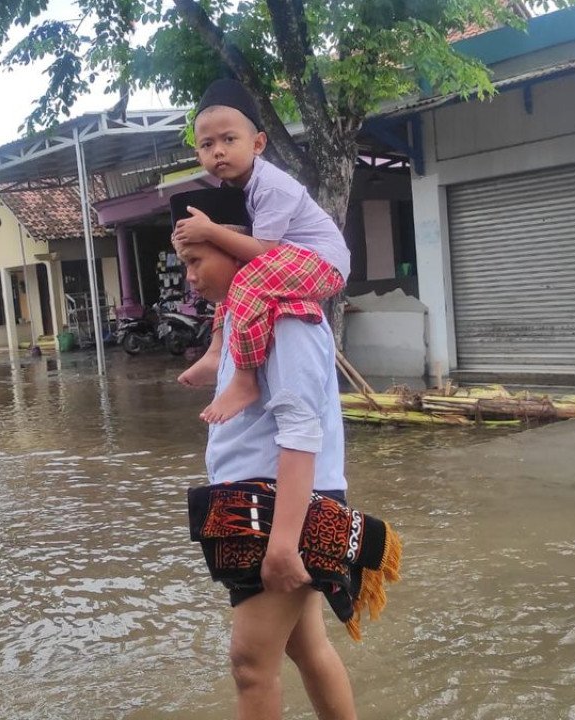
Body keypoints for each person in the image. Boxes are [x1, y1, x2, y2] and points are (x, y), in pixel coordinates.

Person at [175, 235, 359, 720]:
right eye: (184, 264)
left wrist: (283, 544)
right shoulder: (243, 316)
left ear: (238, 252)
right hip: (260, 502)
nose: (189, 277)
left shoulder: (287, 317)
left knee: (250, 665)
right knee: (307, 649)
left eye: (196, 260)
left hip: (280, 507)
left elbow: (301, 432)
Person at [172, 78, 351, 425]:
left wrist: (209, 230)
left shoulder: (272, 186)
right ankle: (214, 351)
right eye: (207, 144)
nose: (218, 151)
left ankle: (244, 379)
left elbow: (262, 250)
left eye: (229, 139)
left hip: (322, 262)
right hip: (287, 259)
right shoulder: (234, 188)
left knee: (248, 279)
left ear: (258, 144)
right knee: (233, 279)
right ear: (198, 154)